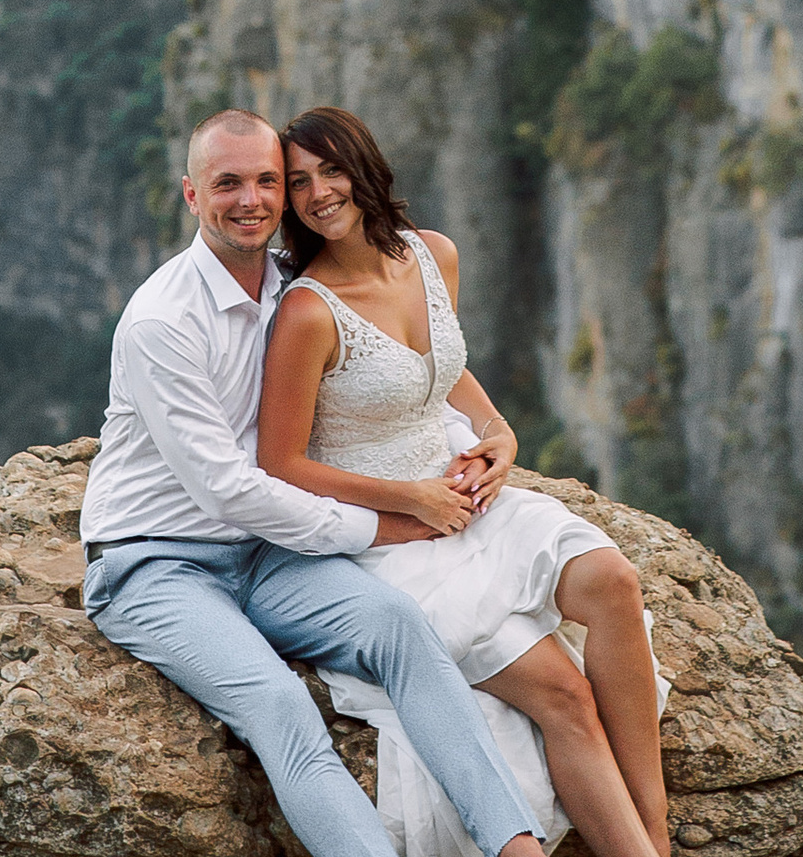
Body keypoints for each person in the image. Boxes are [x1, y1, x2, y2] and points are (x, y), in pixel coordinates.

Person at [81, 107, 553, 857]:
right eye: (227, 183)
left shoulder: (293, 283)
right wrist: (393, 522)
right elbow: (229, 489)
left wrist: (480, 438)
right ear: (191, 194)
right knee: (277, 703)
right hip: (156, 562)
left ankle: (516, 847)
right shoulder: (162, 322)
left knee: (404, 630)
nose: (252, 200)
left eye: (269, 181)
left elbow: (392, 374)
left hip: (268, 554)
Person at [258, 105, 670, 857]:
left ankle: (657, 830)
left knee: (612, 582)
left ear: (365, 168)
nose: (320, 193)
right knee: (563, 694)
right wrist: (407, 497)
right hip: (389, 543)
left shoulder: (432, 255)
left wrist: (498, 432)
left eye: (332, 169)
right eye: (298, 183)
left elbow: (439, 366)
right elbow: (280, 463)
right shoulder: (308, 313)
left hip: (467, 504)